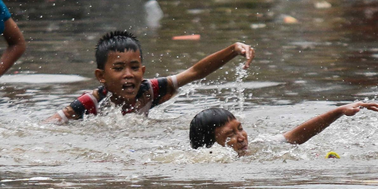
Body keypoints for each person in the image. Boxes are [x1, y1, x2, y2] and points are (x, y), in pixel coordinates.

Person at [47, 30, 255, 123]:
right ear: (101, 76)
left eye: (134, 67)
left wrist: (234, 49)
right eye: (118, 68)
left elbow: (195, 72)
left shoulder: (150, 89)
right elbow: (47, 126)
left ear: (143, 71)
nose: (128, 75)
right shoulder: (89, 103)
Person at [190, 102, 378, 156]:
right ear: (210, 143)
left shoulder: (260, 146)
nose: (241, 137)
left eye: (240, 129)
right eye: (230, 135)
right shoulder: (205, 160)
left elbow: (297, 135)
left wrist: (339, 111)